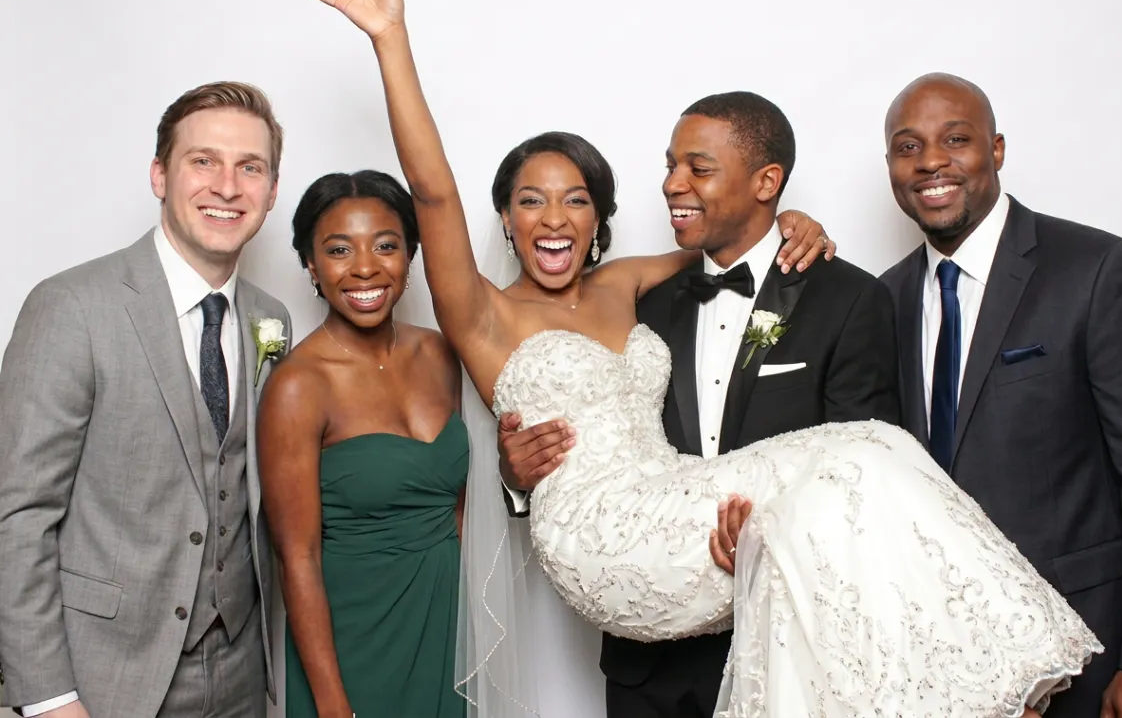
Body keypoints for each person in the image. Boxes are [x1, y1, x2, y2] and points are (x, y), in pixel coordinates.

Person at [304, 0, 1101, 717]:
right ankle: (1001, 679)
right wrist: (390, 39)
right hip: (602, 537)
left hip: (681, 503)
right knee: (867, 456)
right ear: (505, 220)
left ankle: (987, 683)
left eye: (575, 198)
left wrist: (791, 216)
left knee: (877, 451)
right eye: (531, 201)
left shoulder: (634, 283)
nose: (553, 218)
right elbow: (432, 190)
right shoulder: (483, 312)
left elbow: (725, 235)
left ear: (598, 218)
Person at [494, 81, 897, 718]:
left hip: (785, 642)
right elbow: (606, 438)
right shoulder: (641, 304)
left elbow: (866, 474)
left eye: (697, 168)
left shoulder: (846, 299)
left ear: (766, 182)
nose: (672, 184)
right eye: (669, 165)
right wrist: (518, 475)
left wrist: (772, 537)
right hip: (647, 656)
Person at [877, 72, 1122, 718]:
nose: (931, 161)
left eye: (956, 139)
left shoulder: (1098, 269)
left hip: (1089, 655)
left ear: (996, 150)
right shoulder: (884, 298)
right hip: (938, 662)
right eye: (908, 146)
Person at [0, 82, 290, 718]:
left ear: (270, 192)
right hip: (105, 678)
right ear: (160, 174)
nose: (227, 185)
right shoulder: (72, 306)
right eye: (203, 161)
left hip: (245, 677)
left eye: (250, 167)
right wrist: (48, 698)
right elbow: (18, 515)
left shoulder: (272, 319)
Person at [258, 170, 468, 718]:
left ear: (411, 255)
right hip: (354, 645)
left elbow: (464, 506)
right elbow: (297, 556)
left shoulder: (441, 354)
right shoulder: (298, 385)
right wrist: (332, 706)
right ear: (311, 265)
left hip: (450, 629)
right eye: (338, 250)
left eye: (385, 246)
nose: (366, 268)